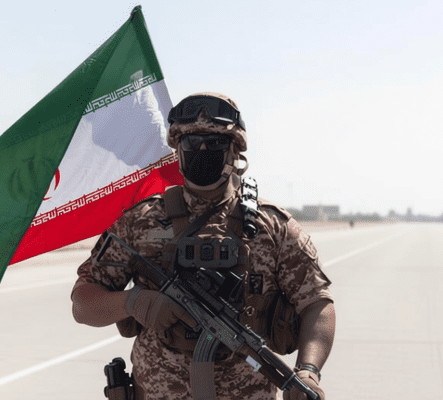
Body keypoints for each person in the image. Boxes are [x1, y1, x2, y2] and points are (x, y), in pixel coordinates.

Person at [71, 93, 335, 400]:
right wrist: (134, 302)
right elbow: (82, 304)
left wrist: (308, 371)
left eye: (215, 143)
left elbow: (317, 304)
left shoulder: (273, 226)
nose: (203, 151)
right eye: (192, 143)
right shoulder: (139, 221)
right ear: (178, 152)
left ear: (235, 151)